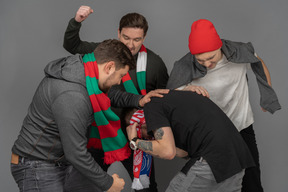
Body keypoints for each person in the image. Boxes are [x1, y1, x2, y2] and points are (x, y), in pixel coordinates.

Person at [166, 19, 281, 192]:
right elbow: (170, 98)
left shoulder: (239, 52)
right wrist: (187, 89)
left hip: (241, 127)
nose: (206, 64)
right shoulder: (184, 66)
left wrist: (267, 94)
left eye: (211, 57)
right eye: (200, 60)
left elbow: (258, 63)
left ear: (219, 46)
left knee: (251, 182)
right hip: (210, 135)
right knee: (212, 183)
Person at [63, 5, 169, 192]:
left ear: (144, 38)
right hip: (101, 133)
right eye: (126, 37)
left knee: (146, 187)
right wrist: (77, 21)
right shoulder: (104, 53)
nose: (130, 44)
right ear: (118, 33)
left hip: (135, 135)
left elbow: (162, 100)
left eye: (137, 40)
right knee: (85, 185)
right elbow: (72, 45)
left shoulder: (155, 63)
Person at [10, 39, 136, 192]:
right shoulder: (73, 94)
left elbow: (112, 96)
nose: (119, 82)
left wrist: (140, 100)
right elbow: (76, 153)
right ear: (109, 67)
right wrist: (108, 183)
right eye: (121, 75)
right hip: (37, 164)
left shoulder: (85, 71)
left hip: (63, 161)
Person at [126, 90, 255, 192]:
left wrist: (135, 141)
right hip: (238, 157)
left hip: (212, 158)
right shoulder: (171, 102)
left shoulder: (151, 106)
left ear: (139, 124)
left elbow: (167, 152)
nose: (148, 137)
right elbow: (182, 153)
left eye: (142, 134)